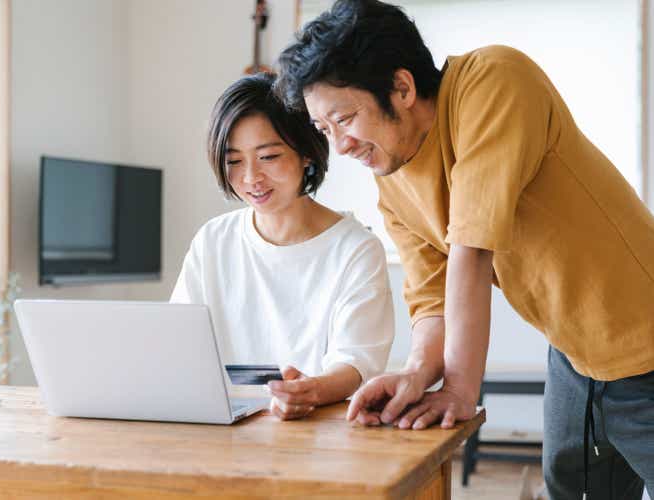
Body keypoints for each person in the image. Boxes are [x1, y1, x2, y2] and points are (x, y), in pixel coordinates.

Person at [275, 0, 654, 498]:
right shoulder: (393, 181)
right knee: (575, 492)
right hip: (573, 353)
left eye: (344, 118)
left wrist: (458, 386)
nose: (340, 145)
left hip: (644, 343)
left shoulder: (494, 80)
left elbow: (472, 247)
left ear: (403, 87)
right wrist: (415, 372)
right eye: (325, 130)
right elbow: (432, 300)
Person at [170, 72, 394, 421]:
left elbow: (356, 362)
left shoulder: (355, 249)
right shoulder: (213, 241)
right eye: (234, 161)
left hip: (316, 431)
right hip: (218, 428)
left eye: (269, 157)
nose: (250, 178)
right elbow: (176, 339)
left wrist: (311, 390)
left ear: (306, 152)